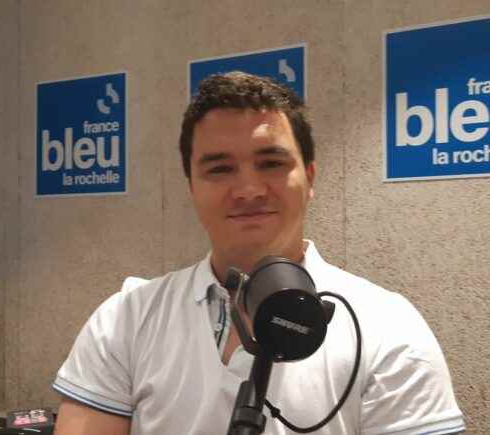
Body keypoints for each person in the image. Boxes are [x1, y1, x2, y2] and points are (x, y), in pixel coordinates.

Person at [52, 72, 465, 435]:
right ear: (191, 187)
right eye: (219, 168)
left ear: (310, 177)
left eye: (271, 163)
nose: (248, 190)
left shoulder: (390, 329)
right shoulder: (125, 320)